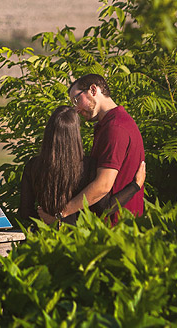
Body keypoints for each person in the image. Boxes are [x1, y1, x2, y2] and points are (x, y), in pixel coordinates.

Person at [39, 73, 146, 226]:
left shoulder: (115, 128)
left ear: (93, 90)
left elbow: (102, 186)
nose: (76, 108)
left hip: (116, 227)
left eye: (77, 100)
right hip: (113, 224)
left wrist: (61, 214)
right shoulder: (109, 124)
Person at [19, 105, 145, 226]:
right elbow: (105, 208)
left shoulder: (33, 165)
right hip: (77, 239)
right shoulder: (88, 166)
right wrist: (135, 186)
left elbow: (25, 212)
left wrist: (47, 219)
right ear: (75, 134)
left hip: (44, 238)